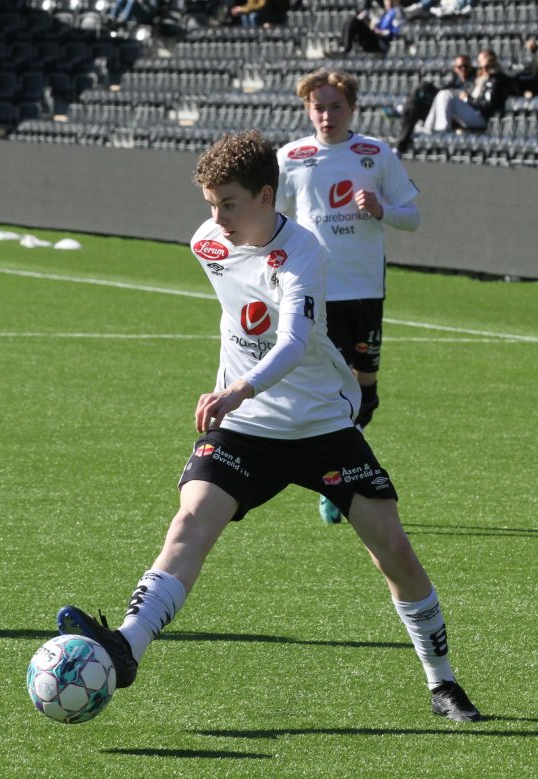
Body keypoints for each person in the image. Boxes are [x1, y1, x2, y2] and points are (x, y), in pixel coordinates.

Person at [56, 129, 481, 723]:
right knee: (190, 521)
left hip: (317, 424)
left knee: (394, 552)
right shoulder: (207, 242)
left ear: (265, 195)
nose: (216, 217)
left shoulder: (304, 251)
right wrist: (237, 393)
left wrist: (237, 387)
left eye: (228, 203)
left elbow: (293, 341)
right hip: (243, 427)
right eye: (209, 203)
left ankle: (443, 684)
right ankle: (128, 646)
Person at [275, 69, 420, 524]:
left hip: (366, 290)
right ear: (307, 109)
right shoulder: (291, 157)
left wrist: (383, 210)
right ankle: (334, 483)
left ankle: (338, 472)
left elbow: (412, 216)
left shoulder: (375, 153)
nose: (326, 114)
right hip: (318, 291)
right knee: (335, 394)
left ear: (351, 107)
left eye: (335, 105)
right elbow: (276, 220)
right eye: (318, 106)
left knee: (366, 395)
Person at [384, 53, 475, 156]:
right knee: (414, 108)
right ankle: (399, 149)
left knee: (424, 87)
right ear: (455, 69)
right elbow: (443, 91)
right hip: (443, 110)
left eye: (466, 66)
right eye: (460, 67)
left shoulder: (473, 80)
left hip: (457, 115)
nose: (463, 69)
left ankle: (402, 108)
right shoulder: (456, 80)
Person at [417, 48, 510, 135]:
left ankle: (443, 130)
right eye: (480, 65)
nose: (482, 68)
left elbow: (486, 105)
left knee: (447, 95)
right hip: (473, 111)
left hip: (483, 118)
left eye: (485, 65)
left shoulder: (495, 80)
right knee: (443, 93)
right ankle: (428, 127)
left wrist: (467, 98)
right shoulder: (480, 78)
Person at [340, 0, 405, 56]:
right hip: (374, 37)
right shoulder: (386, 13)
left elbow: (399, 30)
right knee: (350, 20)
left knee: (353, 21)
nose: (388, 2)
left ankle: (346, 49)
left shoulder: (397, 12)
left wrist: (381, 32)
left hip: (381, 43)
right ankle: (343, 46)